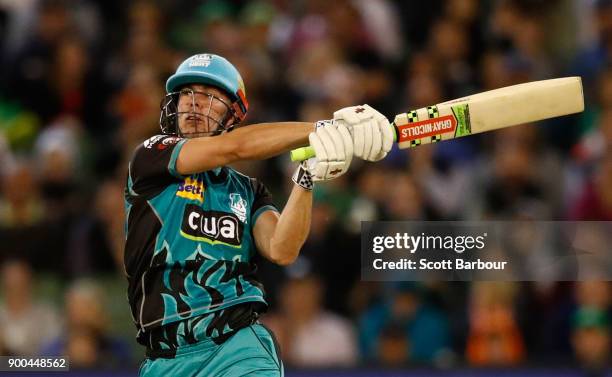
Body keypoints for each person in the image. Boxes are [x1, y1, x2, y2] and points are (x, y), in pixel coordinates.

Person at [124, 53, 393, 376]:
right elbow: (234, 148)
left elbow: (282, 248)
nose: (195, 103)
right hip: (164, 359)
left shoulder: (249, 191)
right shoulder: (151, 157)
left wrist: (307, 177)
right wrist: (323, 128)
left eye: (210, 96)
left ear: (233, 114)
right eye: (187, 93)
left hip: (237, 348)